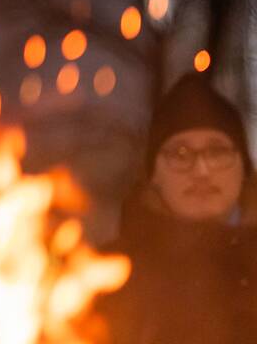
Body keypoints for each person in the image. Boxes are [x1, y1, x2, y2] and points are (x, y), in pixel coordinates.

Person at [98, 73, 257, 344]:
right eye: (180, 154)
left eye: (217, 151)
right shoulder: (103, 276)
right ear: (154, 175)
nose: (201, 170)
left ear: (244, 167)